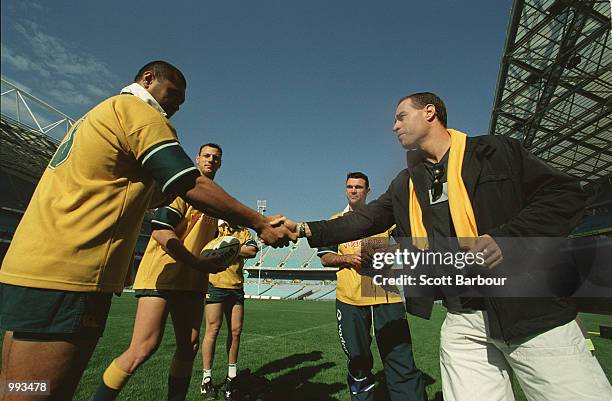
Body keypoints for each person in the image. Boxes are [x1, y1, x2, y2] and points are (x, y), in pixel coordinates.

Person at [287, 92, 611, 401]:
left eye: (401, 117)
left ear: (429, 113)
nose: (394, 126)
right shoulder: (407, 182)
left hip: (531, 311)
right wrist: (304, 229)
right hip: (462, 317)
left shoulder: (495, 151)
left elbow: (565, 193)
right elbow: (364, 219)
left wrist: (507, 237)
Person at [0, 61, 294, 401]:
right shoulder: (139, 113)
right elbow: (186, 184)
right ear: (148, 80)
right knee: (41, 392)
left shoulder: (100, 114)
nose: (177, 106)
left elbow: (153, 192)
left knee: (16, 385)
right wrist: (259, 222)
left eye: (183, 101)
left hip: (35, 262)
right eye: (173, 94)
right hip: (70, 269)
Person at [92, 143, 226, 401]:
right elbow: (161, 230)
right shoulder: (181, 190)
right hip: (161, 275)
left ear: (221, 163)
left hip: (193, 282)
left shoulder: (214, 202)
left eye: (216, 158)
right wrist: (197, 263)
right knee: (143, 348)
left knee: (189, 348)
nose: (211, 160)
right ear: (197, 159)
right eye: (207, 156)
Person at [316, 172, 426, 401]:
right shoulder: (335, 221)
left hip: (385, 295)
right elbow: (325, 256)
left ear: (368, 191)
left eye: (359, 187)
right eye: (350, 187)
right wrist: (349, 259)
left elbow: (412, 242)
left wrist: (390, 251)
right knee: (357, 359)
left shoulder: (384, 219)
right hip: (350, 299)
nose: (354, 190)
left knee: (399, 357)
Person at [200, 221, 259, 400]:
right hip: (215, 285)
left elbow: (252, 251)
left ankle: (231, 377)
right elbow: (204, 251)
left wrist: (225, 250)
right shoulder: (215, 228)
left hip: (236, 287)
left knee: (236, 331)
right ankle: (206, 379)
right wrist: (233, 249)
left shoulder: (244, 232)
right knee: (212, 330)